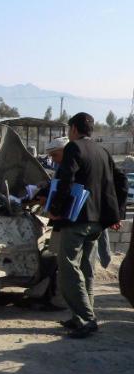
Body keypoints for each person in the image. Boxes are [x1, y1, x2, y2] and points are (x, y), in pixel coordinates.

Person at [49, 112, 124, 338]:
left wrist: (56, 209)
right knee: (85, 269)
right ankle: (80, 317)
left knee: (68, 268)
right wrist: (116, 214)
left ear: (73, 129)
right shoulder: (102, 151)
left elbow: (66, 180)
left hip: (77, 220)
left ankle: (87, 320)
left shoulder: (74, 147)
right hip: (97, 222)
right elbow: (120, 179)